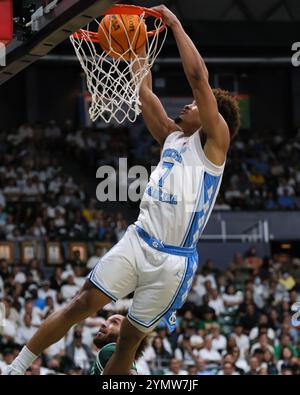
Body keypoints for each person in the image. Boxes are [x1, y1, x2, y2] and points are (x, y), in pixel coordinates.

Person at [3, 5, 240, 375]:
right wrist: (137, 46)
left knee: (129, 340)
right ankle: (15, 369)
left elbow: (198, 78)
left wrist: (174, 23)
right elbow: (144, 90)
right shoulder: (173, 138)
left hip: (174, 262)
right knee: (82, 302)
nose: (189, 104)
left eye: (196, 105)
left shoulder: (215, 145)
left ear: (213, 117)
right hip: (139, 239)